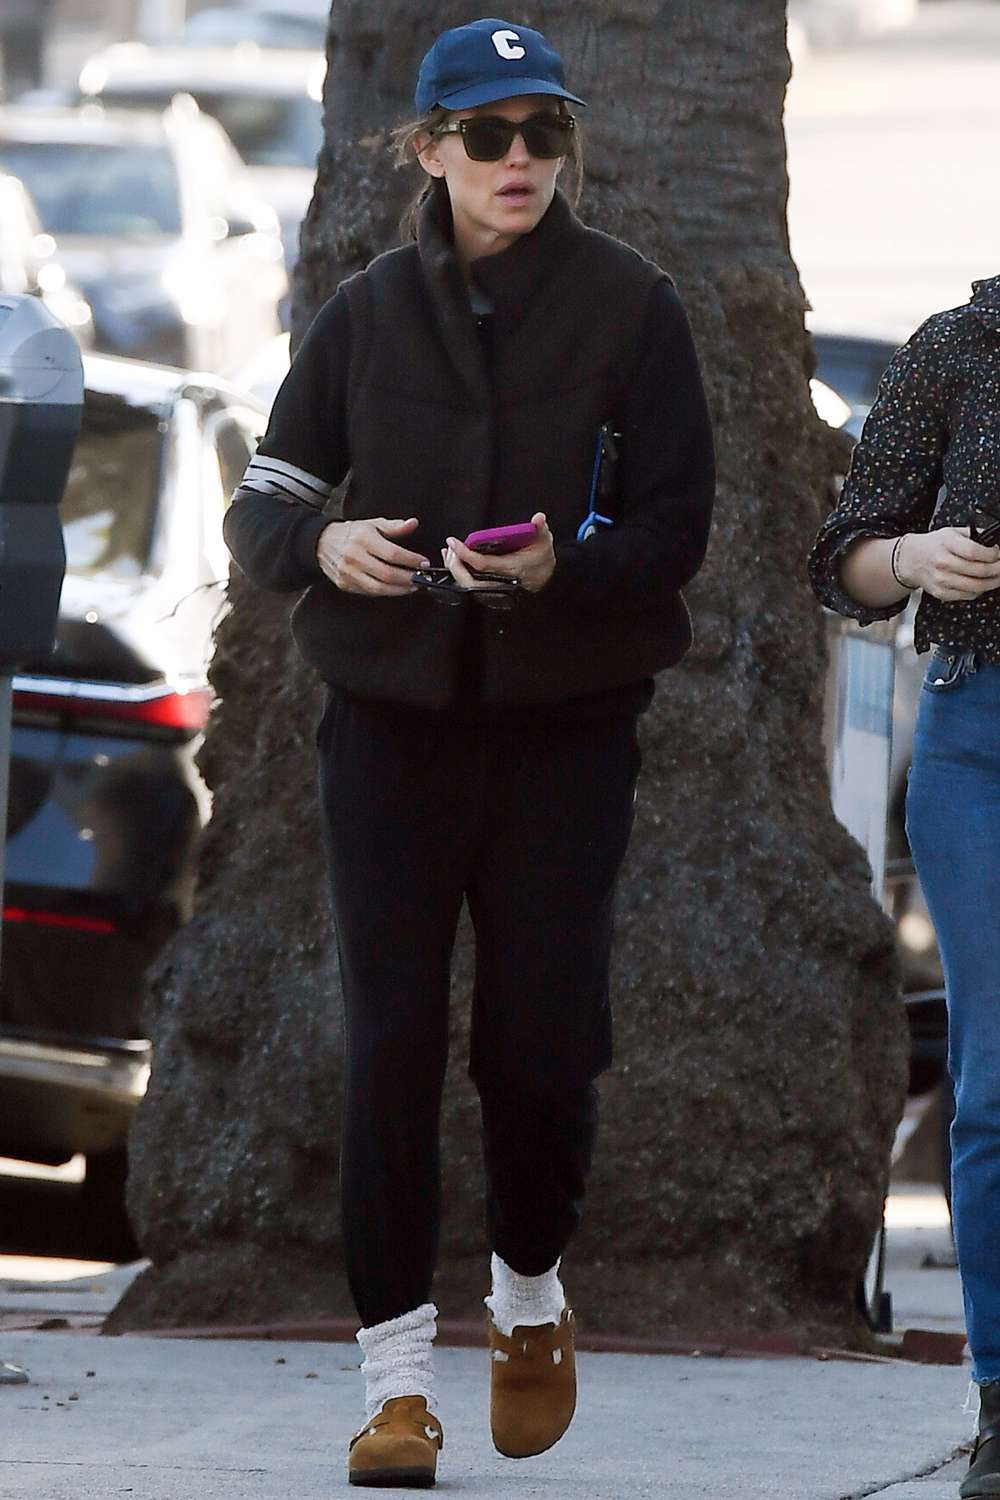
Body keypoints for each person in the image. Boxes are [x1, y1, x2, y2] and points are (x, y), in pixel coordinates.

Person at [225, 16, 714, 1489]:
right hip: (387, 731)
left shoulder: (636, 307)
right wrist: (330, 542)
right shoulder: (365, 309)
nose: (520, 161)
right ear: (428, 149)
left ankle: (527, 1295)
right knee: (385, 1044)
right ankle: (391, 1388)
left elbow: (679, 532)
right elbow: (262, 508)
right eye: (488, 135)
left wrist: (570, 568)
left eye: (543, 132)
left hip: (565, 737)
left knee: (540, 1049)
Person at [809, 275, 1000, 1500]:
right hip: (978, 747)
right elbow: (842, 564)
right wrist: (912, 553)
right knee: (991, 1095)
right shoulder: (957, 347)